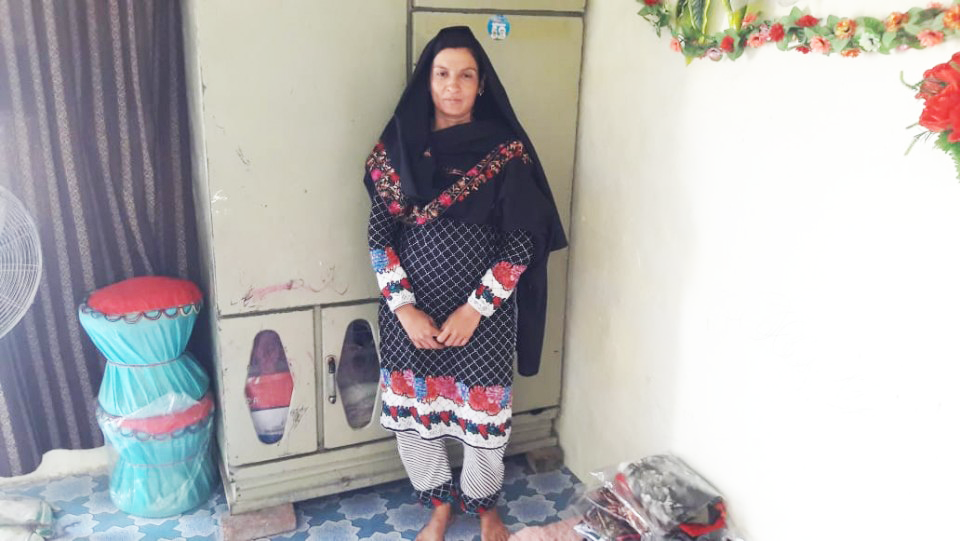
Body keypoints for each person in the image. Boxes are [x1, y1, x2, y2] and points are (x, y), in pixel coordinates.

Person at [364, 26, 566, 541]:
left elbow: (522, 244)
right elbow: (379, 237)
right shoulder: (398, 150)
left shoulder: (504, 153)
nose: (453, 86)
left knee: (484, 427)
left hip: (482, 318)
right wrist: (404, 309)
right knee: (416, 421)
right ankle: (438, 507)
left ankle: (485, 508)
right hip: (411, 316)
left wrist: (475, 308)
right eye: (442, 74)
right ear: (426, 81)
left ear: (481, 85)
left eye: (466, 75)